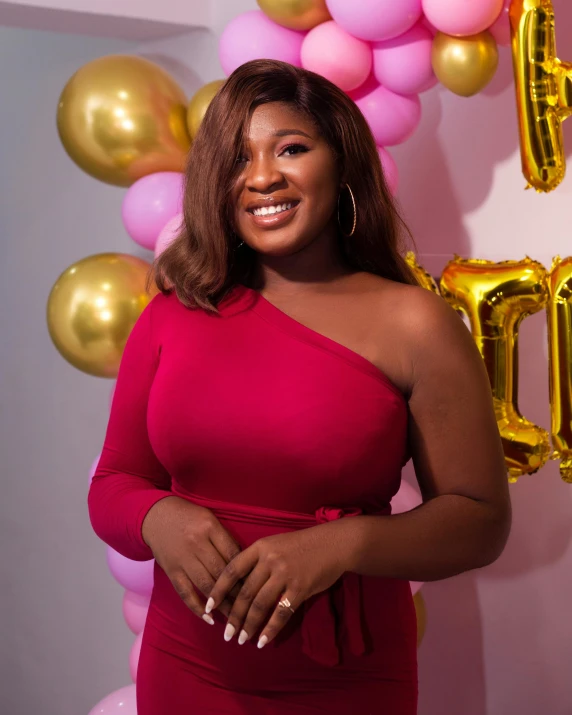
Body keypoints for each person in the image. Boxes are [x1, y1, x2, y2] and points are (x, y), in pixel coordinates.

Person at [88, 59, 511, 714]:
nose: (262, 177)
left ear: (339, 164)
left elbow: (479, 520)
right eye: (239, 157)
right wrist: (158, 515)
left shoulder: (415, 322)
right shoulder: (173, 312)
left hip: (343, 679)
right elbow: (113, 483)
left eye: (291, 148)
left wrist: (341, 544)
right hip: (185, 666)